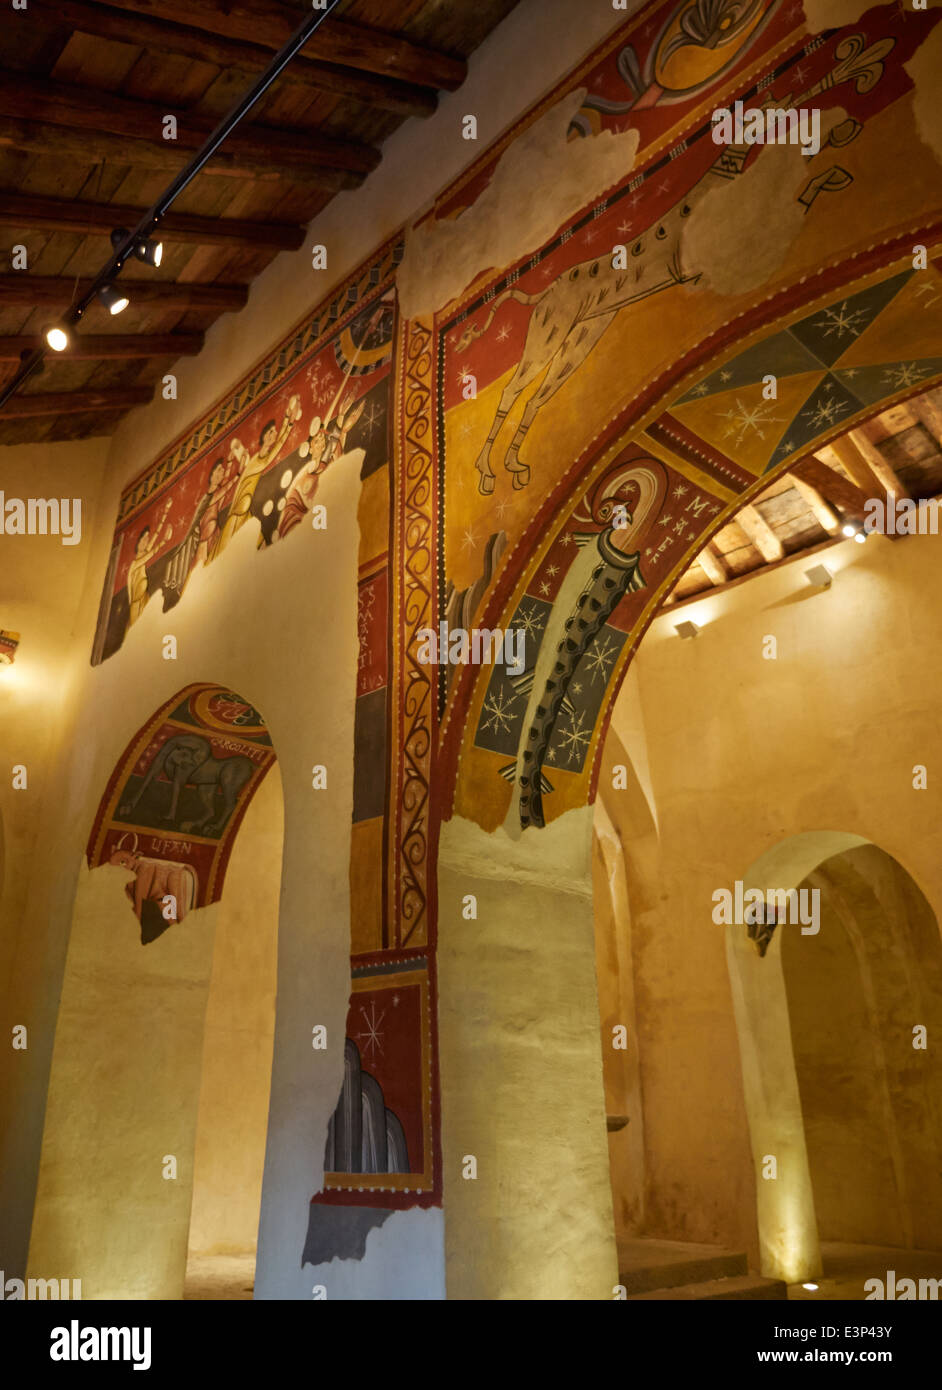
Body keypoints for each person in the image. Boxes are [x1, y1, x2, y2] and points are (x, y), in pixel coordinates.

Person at [216, 394, 302, 553]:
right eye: (270, 432)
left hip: (243, 511)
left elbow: (275, 446)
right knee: (230, 553)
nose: (273, 434)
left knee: (260, 544)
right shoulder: (258, 460)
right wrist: (288, 421)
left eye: (274, 432)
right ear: (263, 437)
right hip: (238, 513)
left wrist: (288, 418)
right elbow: (276, 448)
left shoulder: (257, 458)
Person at [126, 496, 173, 626]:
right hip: (136, 604)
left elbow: (156, 533)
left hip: (144, 597)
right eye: (143, 540)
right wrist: (164, 541)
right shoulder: (135, 563)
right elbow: (152, 553)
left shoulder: (144, 552)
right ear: (138, 543)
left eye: (147, 540)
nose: (146, 542)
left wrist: (166, 512)